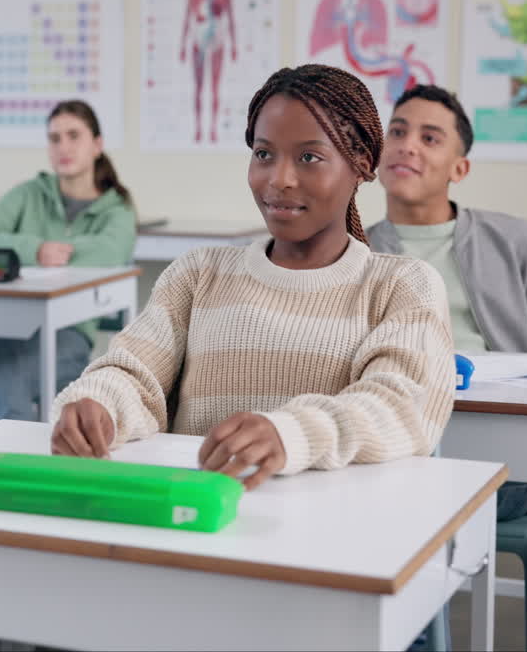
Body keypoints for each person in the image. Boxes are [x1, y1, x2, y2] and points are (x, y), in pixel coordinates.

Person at [50, 64, 453, 496]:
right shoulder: (200, 272)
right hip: (195, 519)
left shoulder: (402, 285)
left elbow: (398, 407)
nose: (279, 179)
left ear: (361, 165)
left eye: (309, 157)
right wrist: (98, 403)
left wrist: (287, 435)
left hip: (331, 534)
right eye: (264, 154)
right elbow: (133, 372)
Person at [367, 83, 527, 522]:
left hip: (506, 455)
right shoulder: (355, 250)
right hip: (394, 444)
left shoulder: (518, 238)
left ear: (460, 168)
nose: (407, 146)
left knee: (397, 507)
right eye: (397, 132)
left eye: (429, 138)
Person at [0, 100, 136, 428]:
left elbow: (109, 252)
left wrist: (48, 253)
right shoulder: (28, 194)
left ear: (97, 145)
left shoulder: (117, 207)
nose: (63, 147)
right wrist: (35, 249)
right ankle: (0, 457)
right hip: (7, 325)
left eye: (74, 136)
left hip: (68, 333)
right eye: (55, 139)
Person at [180, 0, 237, 143]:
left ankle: (212, 129)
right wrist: (182, 45)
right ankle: (198, 128)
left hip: (217, 41)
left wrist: (234, 45)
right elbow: (187, 21)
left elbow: (231, 21)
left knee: (214, 87)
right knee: (198, 87)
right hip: (199, 40)